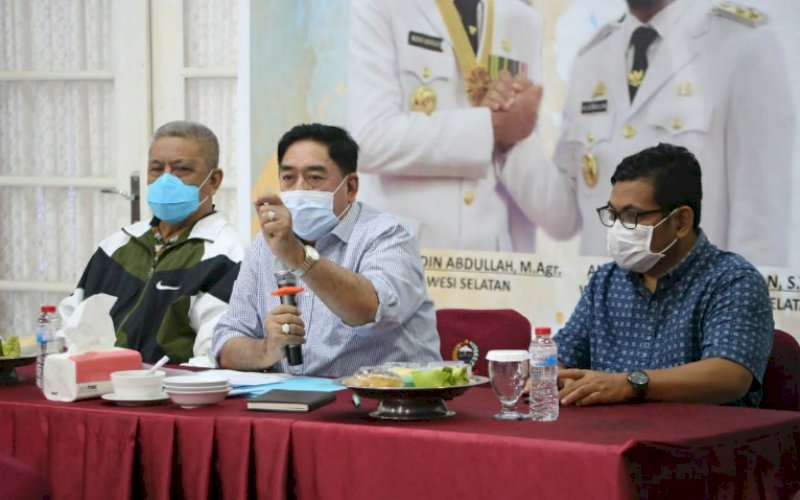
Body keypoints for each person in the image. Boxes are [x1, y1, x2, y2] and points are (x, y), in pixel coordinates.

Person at [551, 0, 793, 266]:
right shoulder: (591, 58)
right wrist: (516, 140)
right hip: (601, 299)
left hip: (696, 301)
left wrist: (738, 304)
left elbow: (761, 229)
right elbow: (563, 217)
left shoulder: (745, 45)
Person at [346, 0, 578, 252]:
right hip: (402, 258)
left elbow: (545, 217)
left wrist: (512, 137)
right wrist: (490, 128)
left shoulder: (522, 18)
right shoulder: (382, 5)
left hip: (490, 267)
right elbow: (368, 141)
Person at [212, 123, 441, 377]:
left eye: (315, 178)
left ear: (351, 187)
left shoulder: (387, 234)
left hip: (383, 402)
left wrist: (297, 256)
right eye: (289, 178)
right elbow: (226, 341)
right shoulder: (263, 245)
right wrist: (265, 349)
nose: (299, 188)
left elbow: (372, 311)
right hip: (291, 401)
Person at [555, 143, 774, 407]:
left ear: (681, 221)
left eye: (632, 216)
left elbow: (730, 376)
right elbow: (565, 353)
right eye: (613, 214)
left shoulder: (733, 280)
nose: (617, 228)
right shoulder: (606, 280)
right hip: (609, 436)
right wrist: (549, 373)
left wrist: (629, 384)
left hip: (700, 441)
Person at [59, 121, 244, 366]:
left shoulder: (227, 256)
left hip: (168, 393)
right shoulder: (116, 246)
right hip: (95, 384)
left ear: (214, 181)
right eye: (156, 169)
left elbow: (213, 348)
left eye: (181, 170)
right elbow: (70, 322)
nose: (166, 180)